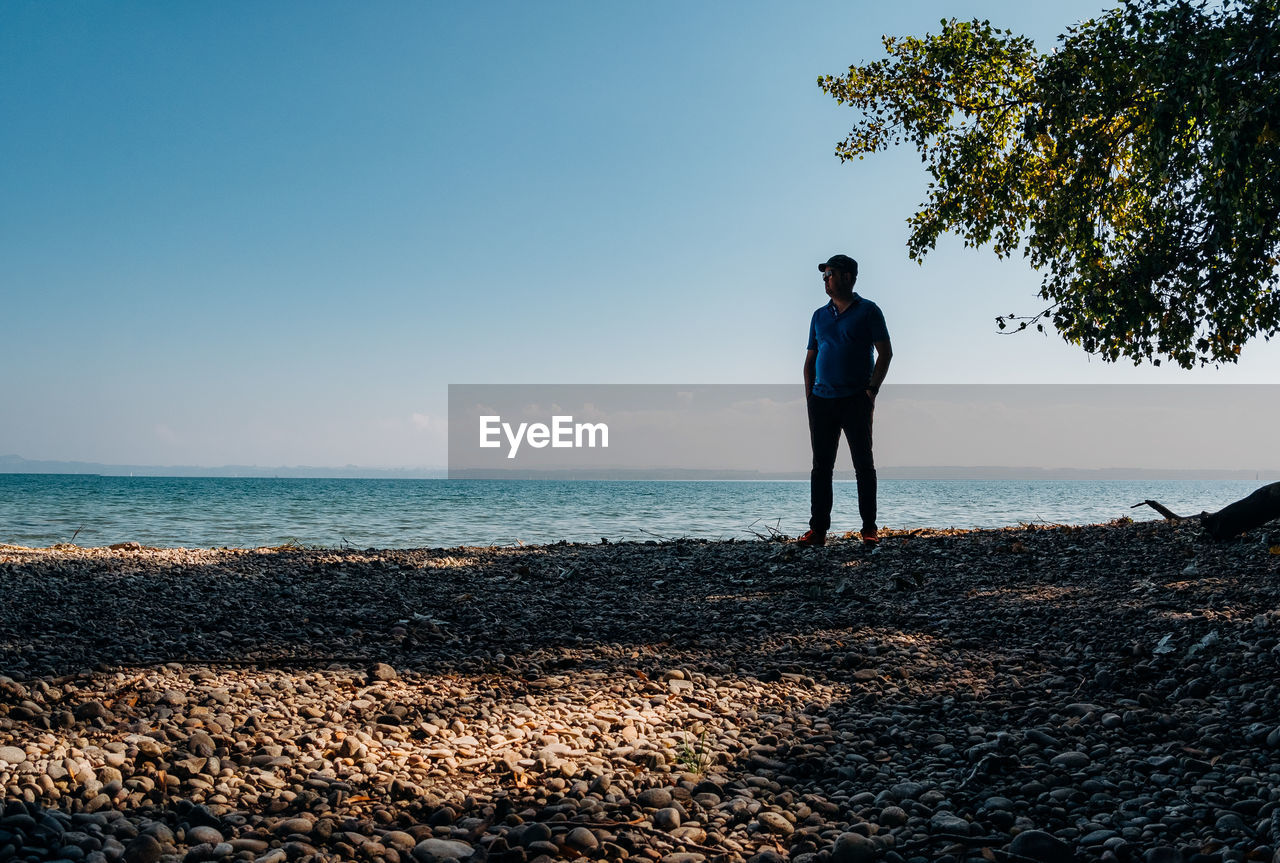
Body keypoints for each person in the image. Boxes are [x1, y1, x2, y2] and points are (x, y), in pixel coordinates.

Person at [797, 254, 892, 548]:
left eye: (831, 273)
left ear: (848, 277)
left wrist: (871, 391)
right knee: (821, 467)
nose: (826, 279)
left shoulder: (869, 311)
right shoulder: (819, 316)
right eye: (823, 275)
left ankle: (869, 529)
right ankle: (818, 531)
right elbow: (810, 360)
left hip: (856, 400)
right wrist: (810, 396)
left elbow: (885, 353)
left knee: (864, 465)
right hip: (822, 401)